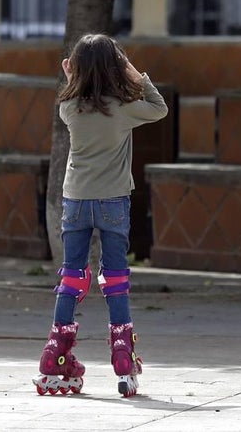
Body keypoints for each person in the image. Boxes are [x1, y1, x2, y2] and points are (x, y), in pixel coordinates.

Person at [33, 34, 169, 397]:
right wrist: (136, 73)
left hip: (75, 201)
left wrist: (69, 75)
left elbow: (70, 92)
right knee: (115, 277)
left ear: (75, 69)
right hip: (112, 202)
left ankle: (54, 353)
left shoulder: (69, 108)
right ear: (115, 67)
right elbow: (160, 108)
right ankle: (123, 352)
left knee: (73, 276)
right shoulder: (124, 109)